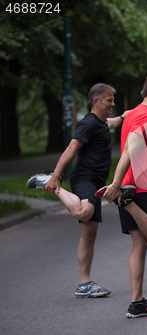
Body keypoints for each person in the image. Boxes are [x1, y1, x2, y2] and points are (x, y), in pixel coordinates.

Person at [27, 83, 129, 297]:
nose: (113, 103)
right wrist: (55, 177)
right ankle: (51, 185)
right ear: (96, 101)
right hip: (85, 178)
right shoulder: (88, 123)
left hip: (97, 182)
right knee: (84, 211)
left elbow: (110, 123)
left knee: (89, 234)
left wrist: (123, 118)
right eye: (110, 100)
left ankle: (84, 284)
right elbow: (71, 149)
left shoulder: (100, 122)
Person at [100, 73, 147, 318]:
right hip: (142, 188)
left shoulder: (133, 114)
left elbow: (114, 124)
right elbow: (129, 150)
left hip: (132, 185)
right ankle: (127, 201)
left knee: (139, 244)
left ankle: (137, 302)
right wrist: (116, 185)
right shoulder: (145, 116)